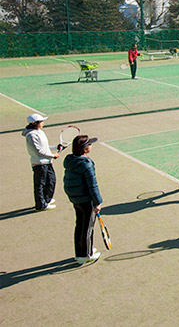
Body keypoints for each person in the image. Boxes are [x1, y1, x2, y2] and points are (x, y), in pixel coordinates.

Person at [63, 135, 103, 265]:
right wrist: (97, 202)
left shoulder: (70, 160)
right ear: (85, 149)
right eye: (89, 144)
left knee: (80, 225)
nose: (91, 146)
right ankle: (86, 255)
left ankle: (81, 252)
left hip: (75, 198)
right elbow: (93, 185)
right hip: (86, 200)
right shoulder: (87, 164)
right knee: (88, 227)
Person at [22, 113, 59, 211]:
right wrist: (53, 155)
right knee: (40, 184)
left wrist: (56, 147)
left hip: (47, 162)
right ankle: (40, 205)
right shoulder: (31, 135)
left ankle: (46, 199)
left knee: (51, 181)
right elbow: (39, 151)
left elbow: (45, 147)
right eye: (41, 121)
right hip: (39, 164)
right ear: (34, 123)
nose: (43, 123)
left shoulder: (40, 132)